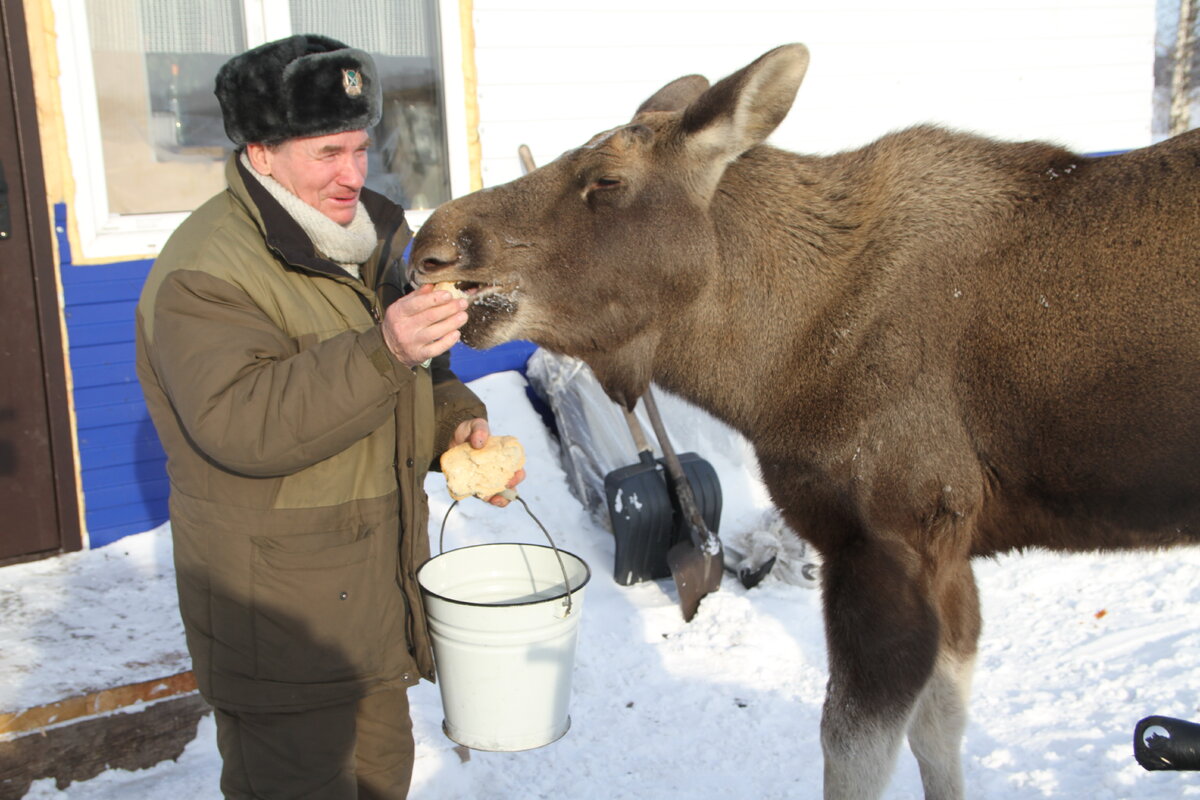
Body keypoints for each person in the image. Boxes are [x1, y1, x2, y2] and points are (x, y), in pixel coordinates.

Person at [135, 34, 522, 799]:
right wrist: (385, 347)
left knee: (383, 781)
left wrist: (456, 428)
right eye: (327, 153)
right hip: (281, 623)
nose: (353, 174)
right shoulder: (204, 270)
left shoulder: (375, 238)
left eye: (360, 147)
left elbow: (422, 375)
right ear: (262, 152)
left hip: (372, 603)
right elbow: (244, 423)